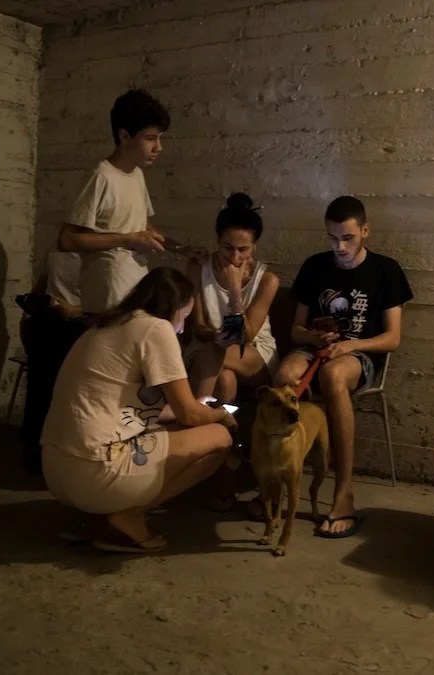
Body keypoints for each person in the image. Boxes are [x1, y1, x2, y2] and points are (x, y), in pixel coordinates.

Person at [41, 267, 236, 551]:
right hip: (97, 471)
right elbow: (189, 414)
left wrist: (191, 411)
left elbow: (135, 409)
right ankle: (128, 514)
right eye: (184, 317)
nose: (182, 328)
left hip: (57, 468)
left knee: (171, 430)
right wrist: (221, 414)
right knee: (220, 439)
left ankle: (99, 517)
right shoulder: (156, 328)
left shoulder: (107, 324)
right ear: (174, 309)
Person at [273, 196, 413, 538]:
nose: (340, 246)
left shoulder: (386, 270)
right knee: (283, 376)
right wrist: (313, 337)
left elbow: (393, 338)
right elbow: (295, 330)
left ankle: (344, 491)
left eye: (347, 238)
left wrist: (351, 344)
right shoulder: (315, 266)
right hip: (316, 348)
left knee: (333, 375)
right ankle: (276, 484)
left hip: (358, 355)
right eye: (333, 238)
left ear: (365, 231)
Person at [58, 88, 200, 315]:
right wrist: (126, 239)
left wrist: (183, 249)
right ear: (124, 136)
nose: (158, 147)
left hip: (135, 287)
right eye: (150, 139)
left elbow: (141, 226)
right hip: (108, 291)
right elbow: (67, 240)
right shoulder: (101, 176)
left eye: (159, 138)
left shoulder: (136, 175)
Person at [186, 192, 280, 404]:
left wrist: (235, 291)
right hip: (208, 346)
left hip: (252, 353)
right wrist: (216, 335)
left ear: (254, 246)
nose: (235, 258)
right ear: (217, 241)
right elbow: (198, 326)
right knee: (225, 380)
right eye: (227, 248)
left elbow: (244, 338)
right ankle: (224, 431)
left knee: (218, 352)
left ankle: (192, 418)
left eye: (243, 250)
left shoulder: (267, 280)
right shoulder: (198, 268)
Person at [16, 248, 83, 475]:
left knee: (45, 391)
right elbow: (41, 287)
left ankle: (39, 452)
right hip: (59, 324)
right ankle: (41, 454)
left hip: (60, 323)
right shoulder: (60, 253)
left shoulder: (59, 251)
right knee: (48, 391)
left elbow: (40, 286)